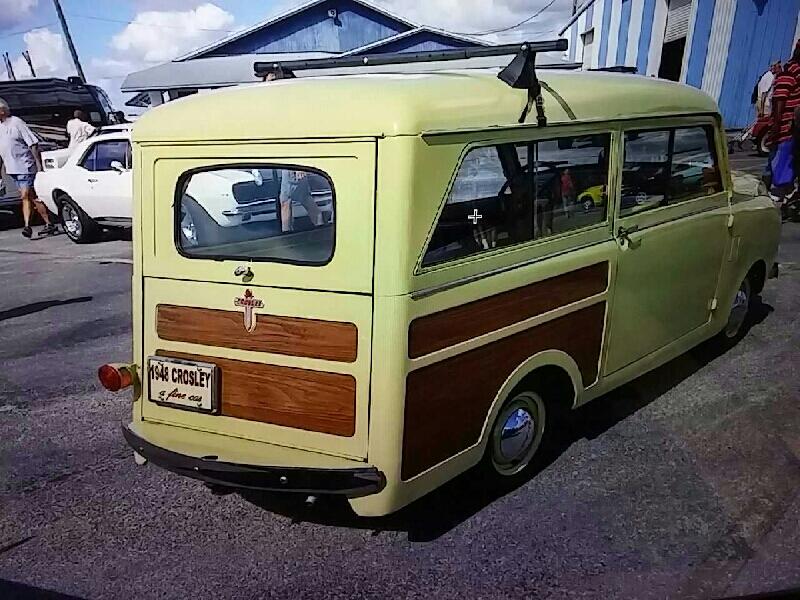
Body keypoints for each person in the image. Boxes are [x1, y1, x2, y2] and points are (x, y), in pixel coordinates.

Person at [0, 98, 56, 238]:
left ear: (2, 111)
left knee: (24, 196)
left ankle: (27, 226)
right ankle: (49, 223)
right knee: (32, 197)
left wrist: (38, 165)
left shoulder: (17, 122)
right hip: (12, 168)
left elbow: (32, 143)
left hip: (25, 165)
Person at [768, 42, 800, 198]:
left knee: (787, 161)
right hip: (786, 128)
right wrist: (775, 127)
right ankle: (776, 191)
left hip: (791, 128)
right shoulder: (790, 72)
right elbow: (779, 102)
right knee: (780, 161)